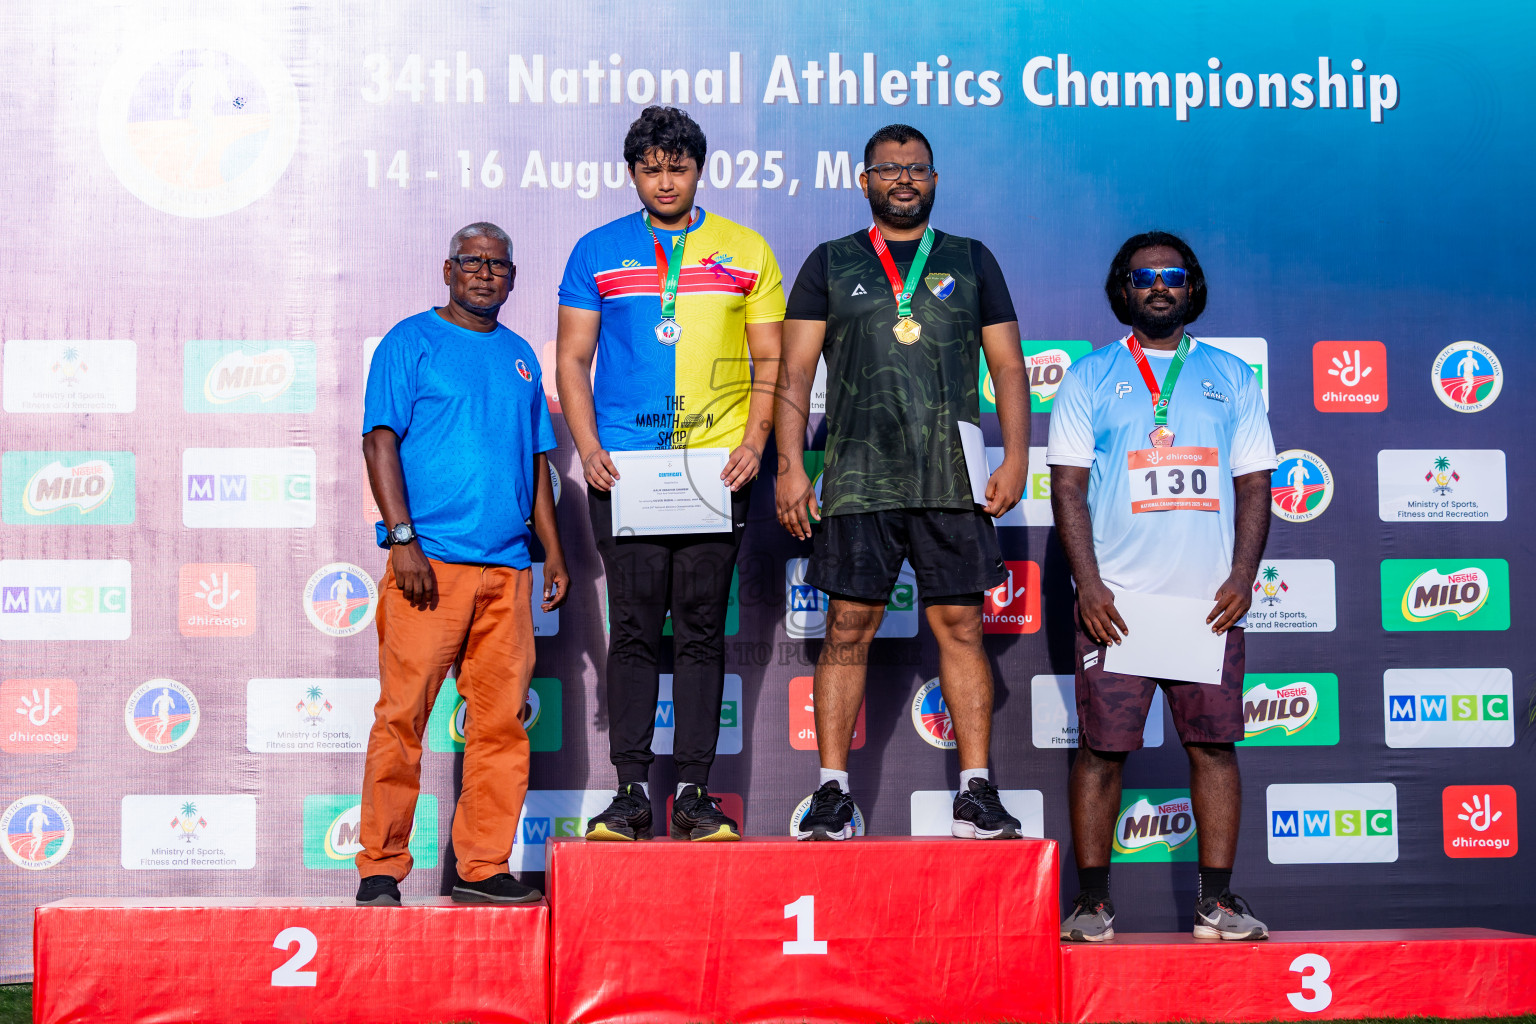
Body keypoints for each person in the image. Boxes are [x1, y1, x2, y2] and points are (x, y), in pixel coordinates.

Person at [775, 124, 1030, 840]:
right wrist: (791, 465)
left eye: (917, 168)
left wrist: (1016, 455)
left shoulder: (971, 258)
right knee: (847, 627)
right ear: (864, 181)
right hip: (858, 475)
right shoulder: (831, 261)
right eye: (889, 169)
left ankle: (975, 792)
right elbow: (794, 371)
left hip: (952, 473)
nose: (904, 179)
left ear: (935, 179)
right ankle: (832, 792)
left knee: (962, 627)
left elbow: (1009, 366)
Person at [556, 106, 784, 841]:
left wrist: (754, 443)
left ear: (698, 170)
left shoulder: (745, 249)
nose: (664, 182)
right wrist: (589, 447)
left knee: (699, 632)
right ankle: (629, 794)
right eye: (650, 169)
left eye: (677, 168)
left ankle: (692, 794)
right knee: (631, 628)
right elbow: (573, 360)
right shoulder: (597, 250)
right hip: (626, 472)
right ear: (632, 172)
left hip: (717, 470)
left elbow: (771, 360)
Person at [1049, 231, 1276, 941]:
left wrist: (1243, 576)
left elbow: (1255, 485)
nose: (1157, 286)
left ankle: (1218, 902)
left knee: (1213, 748)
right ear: (1123, 288)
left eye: (1171, 276)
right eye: (1143, 276)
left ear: (1191, 287)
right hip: (1118, 603)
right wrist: (1088, 584)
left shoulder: (1232, 376)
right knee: (1102, 751)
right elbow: (1067, 487)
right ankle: (1092, 903)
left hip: (1207, 605)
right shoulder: (1089, 377)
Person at [355, 222, 566, 906]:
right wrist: (403, 540)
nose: (484, 273)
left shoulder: (521, 356)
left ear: (512, 278)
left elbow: (536, 463)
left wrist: (553, 553)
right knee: (402, 720)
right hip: (430, 565)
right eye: (471, 262)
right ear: (447, 271)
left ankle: (482, 867)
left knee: (501, 726)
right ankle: (381, 868)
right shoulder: (409, 341)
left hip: (508, 571)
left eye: (497, 265)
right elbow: (379, 443)